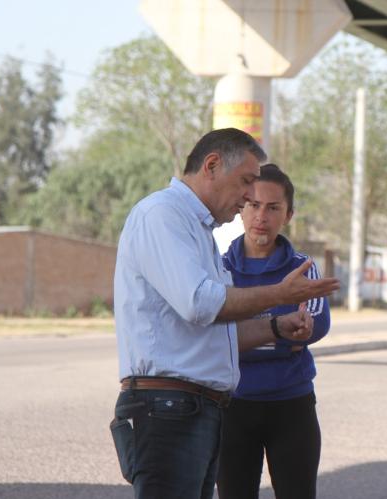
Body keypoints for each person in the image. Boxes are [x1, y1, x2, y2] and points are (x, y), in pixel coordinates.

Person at [111, 128, 340, 499]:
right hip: (168, 410)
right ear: (212, 166)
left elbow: (220, 332)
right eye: (246, 182)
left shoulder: (199, 231)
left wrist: (277, 328)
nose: (251, 197)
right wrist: (280, 294)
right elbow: (201, 303)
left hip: (197, 409)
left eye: (269, 202)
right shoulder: (162, 215)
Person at [216, 164, 330, 498]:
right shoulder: (219, 266)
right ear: (241, 208)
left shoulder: (302, 267)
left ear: (289, 215)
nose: (261, 216)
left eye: (273, 207)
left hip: (292, 406)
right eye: (253, 205)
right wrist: (280, 334)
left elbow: (315, 327)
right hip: (232, 406)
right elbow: (215, 338)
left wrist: (245, 336)